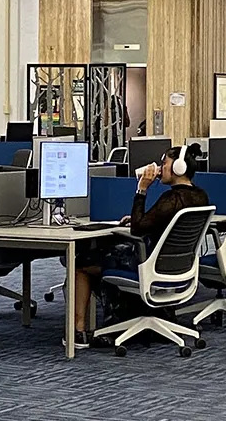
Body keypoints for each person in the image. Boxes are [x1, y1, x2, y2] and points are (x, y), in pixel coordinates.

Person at [73, 144, 209, 344]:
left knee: (82, 263)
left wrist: (142, 189)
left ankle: (79, 332)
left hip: (150, 265)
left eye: (164, 164)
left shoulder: (171, 198)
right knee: (109, 254)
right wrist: (141, 218)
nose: (160, 168)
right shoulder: (200, 196)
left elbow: (137, 229)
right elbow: (158, 222)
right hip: (177, 267)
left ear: (179, 168)